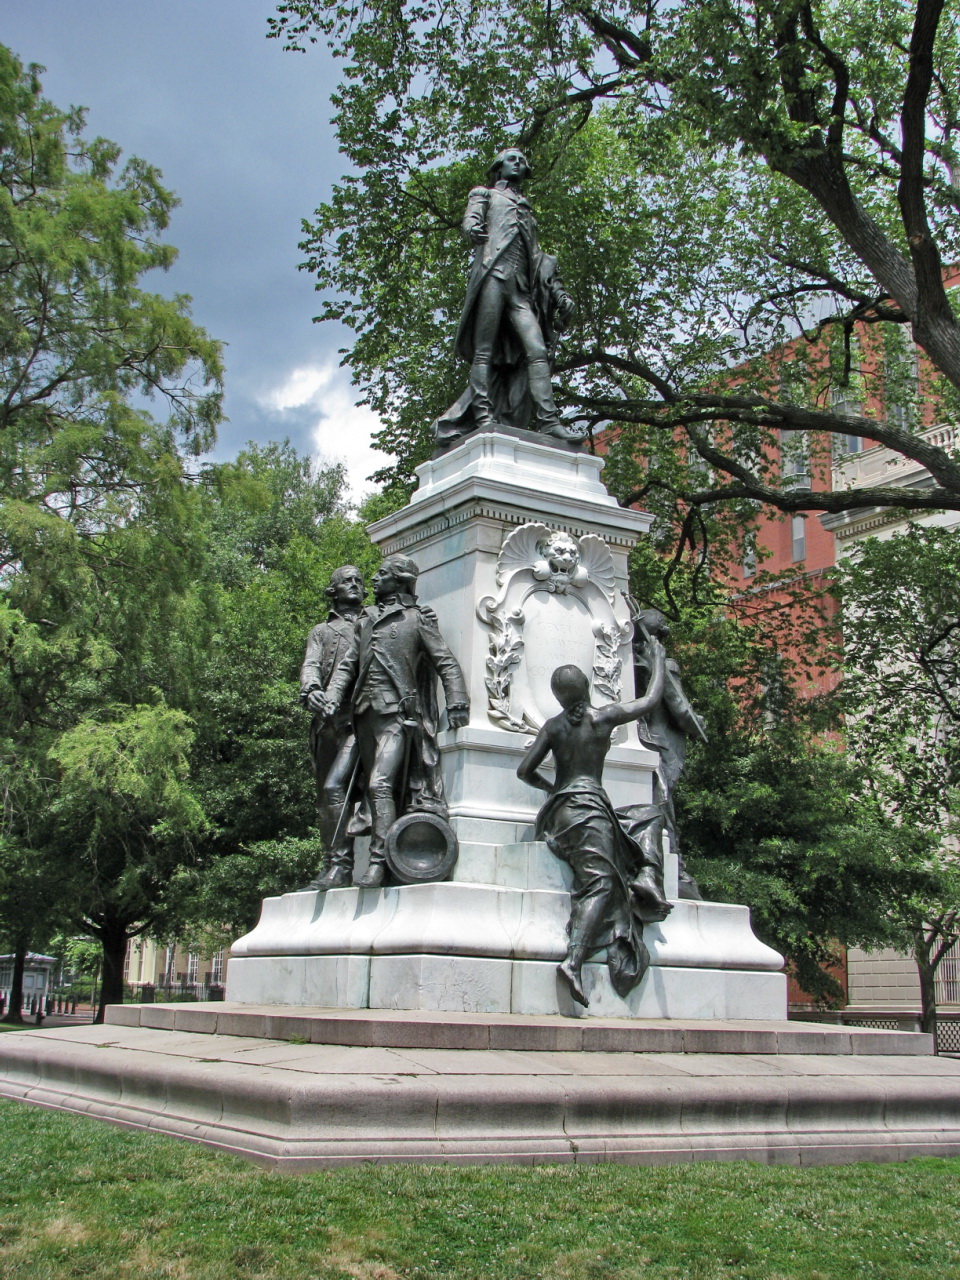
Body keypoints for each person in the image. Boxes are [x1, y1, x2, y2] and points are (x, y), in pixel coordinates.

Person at [517, 641, 671, 1008]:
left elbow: (524, 771)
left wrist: (554, 788)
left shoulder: (554, 727)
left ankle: (646, 879)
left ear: (558, 698)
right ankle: (573, 960)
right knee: (601, 883)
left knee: (647, 816)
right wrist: (659, 661)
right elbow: (650, 701)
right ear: (587, 687)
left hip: (561, 811)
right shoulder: (603, 718)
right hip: (589, 810)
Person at [320, 555, 470, 887]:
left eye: (382, 574)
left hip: (395, 718)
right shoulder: (366, 619)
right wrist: (332, 697)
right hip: (361, 719)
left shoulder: (415, 620)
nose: (373, 579)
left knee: (379, 785)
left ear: (400, 581)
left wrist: (457, 698)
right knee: (333, 787)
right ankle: (341, 864)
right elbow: (347, 666)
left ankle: (378, 861)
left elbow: (445, 661)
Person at [432, 147, 580, 447]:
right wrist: (473, 228)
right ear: (499, 166)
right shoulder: (484, 195)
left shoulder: (526, 210)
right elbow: (471, 220)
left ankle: (550, 422)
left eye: (523, 161)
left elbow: (538, 258)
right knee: (483, 351)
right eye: (513, 159)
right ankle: (484, 417)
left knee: (537, 350)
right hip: (493, 278)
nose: (520, 164)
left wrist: (559, 293)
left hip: (521, 290)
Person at [630, 607, 708, 901]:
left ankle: (674, 867)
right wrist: (696, 722)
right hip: (662, 744)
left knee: (660, 802)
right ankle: (676, 867)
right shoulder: (663, 665)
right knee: (663, 803)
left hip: (640, 737)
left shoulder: (630, 663)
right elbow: (678, 707)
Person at [299, 565, 366, 890]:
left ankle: (347, 866)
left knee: (343, 790)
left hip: (363, 722)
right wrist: (311, 690)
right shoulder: (321, 631)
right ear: (333, 591)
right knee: (328, 800)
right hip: (328, 723)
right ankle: (332, 866)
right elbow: (311, 664)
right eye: (346, 581)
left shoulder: (373, 623)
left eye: (358, 581)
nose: (354, 585)